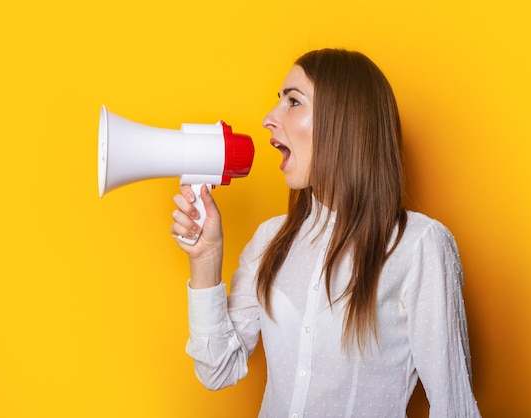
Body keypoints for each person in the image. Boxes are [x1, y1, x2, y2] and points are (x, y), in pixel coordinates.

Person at [171, 48, 481, 417]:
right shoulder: (271, 240)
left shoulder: (418, 246)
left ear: (344, 120)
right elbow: (217, 368)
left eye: (293, 101)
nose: (269, 119)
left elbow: (454, 408)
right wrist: (205, 258)